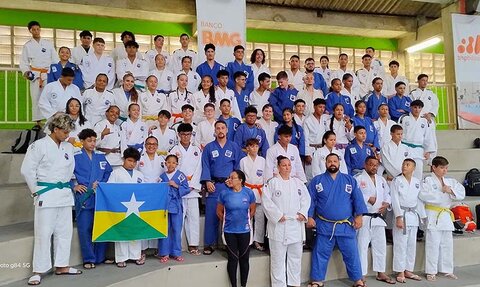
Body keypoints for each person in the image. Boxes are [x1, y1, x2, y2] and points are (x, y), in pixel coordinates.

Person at [20, 113, 81, 286]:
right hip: (45, 194)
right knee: (43, 234)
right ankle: (38, 270)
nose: (67, 135)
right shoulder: (38, 146)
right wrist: (35, 191)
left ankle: (62, 265)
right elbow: (27, 170)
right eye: (65, 132)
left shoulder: (68, 148)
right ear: (55, 129)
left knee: (64, 233)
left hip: (63, 195)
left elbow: (70, 170)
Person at [307, 153, 367, 287]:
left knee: (352, 254)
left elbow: (358, 199)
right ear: (325, 163)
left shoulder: (349, 180)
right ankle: (317, 279)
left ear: (339, 163)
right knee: (320, 253)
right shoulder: (317, 181)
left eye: (335, 161)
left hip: (345, 225)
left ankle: (358, 279)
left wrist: (359, 216)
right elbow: (310, 200)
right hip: (324, 225)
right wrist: (310, 216)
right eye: (329, 161)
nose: (332, 163)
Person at [263, 156, 310, 287]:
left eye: (289, 165)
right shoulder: (272, 183)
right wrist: (277, 215)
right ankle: (279, 285)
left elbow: (306, 199)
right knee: (278, 260)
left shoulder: (298, 183)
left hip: (295, 224)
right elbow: (266, 202)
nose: (287, 167)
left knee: (295, 258)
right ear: (278, 167)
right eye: (284, 165)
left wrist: (302, 212)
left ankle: (294, 283)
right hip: (279, 226)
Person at [419, 156, 465, 281]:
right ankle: (431, 271)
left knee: (447, 244)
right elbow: (423, 195)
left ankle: (446, 269)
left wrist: (451, 190)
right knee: (433, 244)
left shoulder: (450, 181)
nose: (445, 170)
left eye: (446, 168)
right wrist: (442, 193)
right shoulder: (427, 181)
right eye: (442, 168)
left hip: (445, 215)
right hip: (433, 214)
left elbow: (462, 193)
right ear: (433, 167)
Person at [73, 128, 112, 270]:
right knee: (85, 228)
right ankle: (88, 258)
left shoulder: (101, 157)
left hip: (99, 197)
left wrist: (102, 184)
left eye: (94, 140)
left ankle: (100, 256)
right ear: (82, 141)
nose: (92, 143)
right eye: (89, 140)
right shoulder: (76, 157)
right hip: (84, 196)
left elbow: (109, 173)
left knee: (101, 227)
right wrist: (74, 186)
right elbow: (65, 173)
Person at [200, 120, 242, 255]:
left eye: (223, 128)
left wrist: (234, 182)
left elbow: (237, 166)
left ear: (227, 130)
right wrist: (207, 181)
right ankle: (209, 243)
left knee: (229, 216)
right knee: (212, 215)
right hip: (214, 185)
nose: (220, 130)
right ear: (215, 130)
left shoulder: (234, 146)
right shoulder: (209, 147)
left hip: (229, 186)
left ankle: (227, 243)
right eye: (218, 128)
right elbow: (205, 165)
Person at [355, 156, 394, 284]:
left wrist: (386, 203)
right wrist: (367, 198)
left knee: (380, 246)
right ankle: (361, 274)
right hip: (365, 217)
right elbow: (355, 195)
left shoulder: (381, 180)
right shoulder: (358, 179)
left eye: (376, 165)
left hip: (378, 218)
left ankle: (380, 272)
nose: (374, 167)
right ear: (365, 165)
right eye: (371, 164)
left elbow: (388, 194)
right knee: (362, 246)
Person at [217, 170, 256, 287]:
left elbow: (252, 210)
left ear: (240, 180)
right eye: (229, 177)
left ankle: (243, 285)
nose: (230, 179)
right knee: (233, 259)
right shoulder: (224, 193)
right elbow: (219, 211)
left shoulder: (249, 193)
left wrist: (244, 221)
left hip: (245, 231)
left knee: (244, 259)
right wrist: (227, 221)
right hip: (229, 231)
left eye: (233, 178)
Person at [107, 147, 145, 267]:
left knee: (135, 229)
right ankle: (121, 257)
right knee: (122, 230)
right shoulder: (116, 173)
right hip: (120, 206)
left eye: (134, 162)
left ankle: (135, 255)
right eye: (129, 160)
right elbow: (109, 189)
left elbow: (144, 190)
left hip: (136, 207)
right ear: (123, 159)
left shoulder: (139, 175)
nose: (132, 164)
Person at [390, 158, 426, 283]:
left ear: (413, 168)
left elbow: (419, 200)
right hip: (402, 214)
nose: (404, 166)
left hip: (413, 215)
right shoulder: (397, 180)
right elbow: (394, 199)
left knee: (411, 245)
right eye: (403, 164)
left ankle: (408, 269)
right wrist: (399, 216)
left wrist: (423, 216)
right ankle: (400, 271)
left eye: (408, 164)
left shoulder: (417, 182)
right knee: (401, 244)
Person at [169, 123, 202, 255]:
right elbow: (172, 168)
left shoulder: (197, 150)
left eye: (188, 134)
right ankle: (178, 246)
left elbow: (200, 168)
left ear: (191, 135)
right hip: (179, 189)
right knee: (179, 219)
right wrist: (181, 186)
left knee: (193, 218)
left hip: (193, 189)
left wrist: (193, 184)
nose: (185, 137)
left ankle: (193, 245)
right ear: (179, 135)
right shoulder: (173, 150)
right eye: (183, 134)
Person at [20, 21, 58, 126]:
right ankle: (38, 122)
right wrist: (27, 72)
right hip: (36, 75)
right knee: (36, 97)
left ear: (40, 29)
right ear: (30, 31)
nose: (36, 31)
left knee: (50, 97)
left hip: (48, 73)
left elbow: (55, 59)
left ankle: (51, 120)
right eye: (33, 30)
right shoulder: (27, 46)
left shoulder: (48, 43)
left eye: (38, 29)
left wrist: (56, 72)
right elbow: (24, 62)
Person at [157, 154, 190, 263]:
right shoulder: (161, 177)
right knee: (164, 229)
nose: (171, 164)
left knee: (176, 229)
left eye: (173, 162)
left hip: (176, 205)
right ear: (165, 163)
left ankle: (176, 253)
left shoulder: (180, 176)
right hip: (164, 206)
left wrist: (176, 185)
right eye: (169, 162)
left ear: (177, 164)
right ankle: (164, 253)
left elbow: (186, 188)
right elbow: (157, 190)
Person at [137, 136, 164, 256]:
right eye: (149, 144)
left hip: (157, 194)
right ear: (145, 145)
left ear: (157, 146)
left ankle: (155, 247)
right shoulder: (140, 159)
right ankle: (142, 248)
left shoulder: (162, 160)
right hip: (143, 193)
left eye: (154, 144)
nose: (151, 146)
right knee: (143, 219)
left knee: (155, 219)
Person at [239, 139, 266, 251]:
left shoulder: (262, 160)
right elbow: (241, 177)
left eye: (256, 146)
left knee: (259, 217)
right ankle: (247, 241)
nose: (254, 148)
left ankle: (258, 241)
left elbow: (265, 176)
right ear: (247, 148)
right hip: (248, 188)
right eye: (251, 146)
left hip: (259, 189)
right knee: (248, 216)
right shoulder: (243, 161)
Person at [399, 100, 436, 179]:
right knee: (405, 170)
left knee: (418, 171)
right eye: (415, 107)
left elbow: (428, 137)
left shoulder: (424, 121)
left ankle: (417, 189)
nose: (417, 109)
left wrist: (428, 151)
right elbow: (399, 133)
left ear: (421, 109)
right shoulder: (405, 119)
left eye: (419, 108)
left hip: (418, 149)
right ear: (411, 108)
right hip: (405, 147)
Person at [409, 74, 439, 159]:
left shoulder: (431, 94)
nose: (425, 82)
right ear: (418, 81)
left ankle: (432, 162)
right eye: (423, 80)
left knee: (432, 140)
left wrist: (430, 114)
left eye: (426, 80)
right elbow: (411, 106)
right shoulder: (413, 93)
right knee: (419, 139)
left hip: (429, 119)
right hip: (417, 119)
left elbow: (435, 105)